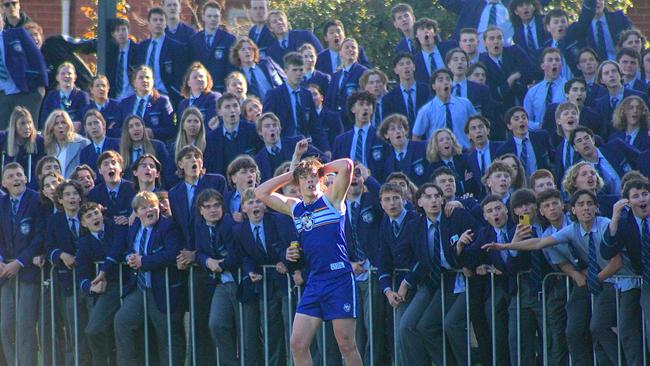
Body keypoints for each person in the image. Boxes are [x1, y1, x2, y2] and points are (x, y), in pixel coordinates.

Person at [482, 189, 642, 365]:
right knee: (593, 328)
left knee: (626, 329)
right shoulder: (571, 230)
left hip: (628, 281)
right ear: (573, 209)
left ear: (596, 207)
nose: (586, 208)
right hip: (605, 282)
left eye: (589, 204)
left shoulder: (605, 224)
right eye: (581, 205)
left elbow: (617, 262)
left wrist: (593, 279)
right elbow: (540, 243)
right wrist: (505, 246)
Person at [254, 156, 362, 366]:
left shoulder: (332, 199)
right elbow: (261, 192)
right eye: (304, 178)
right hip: (315, 282)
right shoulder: (295, 208)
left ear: (321, 179)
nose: (310, 181)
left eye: (314, 177)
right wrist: (292, 174)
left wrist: (319, 169)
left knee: (346, 344)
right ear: (298, 183)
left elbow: (347, 165)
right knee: (298, 343)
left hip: (339, 279)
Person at [402, 183, 476, 365]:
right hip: (440, 281)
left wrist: (463, 257)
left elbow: (477, 236)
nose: (433, 200)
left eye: (437, 196)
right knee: (424, 326)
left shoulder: (455, 215)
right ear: (419, 201)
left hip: (465, 279)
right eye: (428, 197)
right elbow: (406, 254)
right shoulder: (416, 225)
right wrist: (406, 281)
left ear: (443, 199)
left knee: (451, 324)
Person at [113, 191, 186, 366]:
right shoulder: (135, 227)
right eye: (144, 208)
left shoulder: (168, 226)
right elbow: (129, 249)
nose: (149, 210)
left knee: (167, 336)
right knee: (122, 322)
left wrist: (143, 261)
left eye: (152, 206)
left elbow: (171, 254)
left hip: (163, 289)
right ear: (137, 212)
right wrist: (130, 257)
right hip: (140, 288)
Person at [236, 188, 292, 366]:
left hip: (285, 282)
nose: (255, 206)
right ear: (244, 208)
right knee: (270, 330)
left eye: (258, 201)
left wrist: (284, 260)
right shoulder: (240, 230)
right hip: (264, 286)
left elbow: (288, 245)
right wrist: (250, 271)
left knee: (291, 325)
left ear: (266, 205)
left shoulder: (276, 221)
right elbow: (245, 256)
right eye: (250, 203)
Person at [374, 181, 421, 365]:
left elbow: (422, 258)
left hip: (419, 284)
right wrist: (387, 290)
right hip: (398, 291)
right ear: (381, 204)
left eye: (396, 198)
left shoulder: (415, 220)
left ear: (404, 200)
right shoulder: (385, 222)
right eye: (387, 199)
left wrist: (405, 284)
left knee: (408, 328)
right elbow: (383, 260)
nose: (392, 203)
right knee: (399, 332)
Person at [0, 162, 42, 366]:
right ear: (3, 183)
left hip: (27, 272)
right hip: (5, 274)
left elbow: (39, 236)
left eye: (19, 175)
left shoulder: (36, 200)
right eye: (11, 176)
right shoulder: (1, 203)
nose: (16, 179)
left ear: (26, 178)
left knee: (25, 326)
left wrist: (20, 261)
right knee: (6, 325)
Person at [601, 179, 650, 355]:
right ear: (628, 203)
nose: (642, 199)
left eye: (645, 194)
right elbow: (607, 252)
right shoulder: (624, 223)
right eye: (636, 196)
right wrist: (614, 217)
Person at [76, 201, 127, 366]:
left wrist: (102, 271)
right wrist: (91, 287)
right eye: (89, 216)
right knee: (93, 330)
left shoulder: (116, 227)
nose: (94, 218)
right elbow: (81, 274)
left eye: (96, 213)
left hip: (128, 283)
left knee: (121, 330)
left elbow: (118, 249)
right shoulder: (84, 243)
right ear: (83, 223)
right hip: (108, 289)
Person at [46, 179, 91, 365]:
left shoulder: (89, 215)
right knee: (74, 330)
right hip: (68, 283)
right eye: (68, 194)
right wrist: (61, 255)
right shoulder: (54, 220)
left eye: (75, 193)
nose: (72, 198)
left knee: (92, 329)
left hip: (90, 279)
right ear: (60, 199)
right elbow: (48, 247)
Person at [193, 188, 239, 365]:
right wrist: (207, 261)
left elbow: (236, 256)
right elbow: (199, 253)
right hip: (221, 283)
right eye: (208, 206)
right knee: (216, 324)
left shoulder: (229, 224)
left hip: (238, 281)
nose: (213, 210)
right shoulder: (200, 225)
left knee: (244, 331)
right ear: (201, 210)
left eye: (217, 205)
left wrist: (218, 265)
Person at [262, 52, 329, 154]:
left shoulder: (306, 95)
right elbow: (265, 125)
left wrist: (326, 149)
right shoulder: (274, 95)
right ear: (285, 72)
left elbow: (315, 126)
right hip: (282, 148)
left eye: (301, 70)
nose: (298, 73)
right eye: (294, 70)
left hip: (304, 146)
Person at [0, 14, 48, 131]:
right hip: (3, 94)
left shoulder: (16, 35)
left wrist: (41, 86)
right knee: (4, 133)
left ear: (2, 22)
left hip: (25, 92)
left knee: (27, 131)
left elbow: (36, 58)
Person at [136, 6, 188, 107]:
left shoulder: (175, 47)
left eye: (161, 20)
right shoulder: (142, 47)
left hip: (167, 95)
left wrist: (174, 92)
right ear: (149, 23)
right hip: (145, 94)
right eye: (155, 20)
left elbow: (181, 74)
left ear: (166, 23)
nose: (158, 23)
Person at [479, 26, 537, 115]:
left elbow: (531, 72)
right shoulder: (482, 62)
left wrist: (506, 86)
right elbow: (494, 94)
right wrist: (512, 78)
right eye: (491, 38)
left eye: (499, 38)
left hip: (524, 101)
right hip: (500, 110)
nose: (496, 41)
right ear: (484, 43)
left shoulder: (515, 51)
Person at [412, 68, 477, 148]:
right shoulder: (426, 110)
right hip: (438, 155)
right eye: (440, 80)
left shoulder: (465, 104)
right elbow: (416, 136)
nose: (445, 82)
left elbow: (476, 125)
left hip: (464, 152)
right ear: (433, 86)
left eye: (448, 79)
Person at [253, 112, 323, 182]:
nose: (272, 129)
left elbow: (322, 158)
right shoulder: (258, 160)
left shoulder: (297, 143)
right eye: (267, 126)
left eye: (274, 125)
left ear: (280, 129)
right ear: (260, 132)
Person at [570, 126, 639, 196]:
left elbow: (642, 159)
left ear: (593, 140)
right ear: (575, 148)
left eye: (587, 138)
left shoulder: (616, 146)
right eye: (579, 141)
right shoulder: (581, 171)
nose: (584, 142)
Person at [204, 93, 262, 176]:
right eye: (227, 107)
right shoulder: (211, 139)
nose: (232, 110)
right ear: (219, 112)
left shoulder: (253, 131)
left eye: (235, 106)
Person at [116, 65, 176, 142]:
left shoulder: (162, 101)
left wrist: (153, 132)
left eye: (148, 77)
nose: (145, 80)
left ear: (153, 81)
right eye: (141, 77)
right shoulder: (124, 104)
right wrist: (128, 132)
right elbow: (115, 130)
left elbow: (171, 129)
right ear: (134, 82)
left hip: (153, 145)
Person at [332, 91, 385, 170]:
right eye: (361, 104)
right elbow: (334, 169)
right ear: (353, 109)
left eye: (368, 104)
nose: (365, 107)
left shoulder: (381, 136)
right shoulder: (341, 141)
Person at [445, 48, 498, 126]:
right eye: (455, 60)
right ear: (449, 65)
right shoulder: (442, 90)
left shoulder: (481, 89)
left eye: (463, 60)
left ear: (468, 64)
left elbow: (489, 117)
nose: (460, 62)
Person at [118, 114, 174, 187]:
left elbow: (167, 172)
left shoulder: (158, 146)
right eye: (131, 126)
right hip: (130, 192)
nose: (135, 128)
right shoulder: (121, 151)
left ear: (143, 127)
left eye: (138, 125)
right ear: (127, 131)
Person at [497, 106, 553, 178]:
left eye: (524, 118)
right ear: (509, 126)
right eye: (516, 119)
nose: (521, 120)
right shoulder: (504, 150)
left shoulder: (541, 137)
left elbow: (553, 158)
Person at [324, 38, 368, 125]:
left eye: (353, 47)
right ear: (340, 53)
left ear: (357, 52)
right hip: (336, 123)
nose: (350, 49)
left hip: (353, 121)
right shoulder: (336, 75)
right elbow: (328, 99)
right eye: (347, 47)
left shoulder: (363, 72)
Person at [382, 53, 431, 131]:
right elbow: (388, 124)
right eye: (401, 64)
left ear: (414, 67)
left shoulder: (427, 90)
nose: (406, 67)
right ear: (396, 70)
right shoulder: (389, 98)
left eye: (408, 63)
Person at [376, 114, 429, 186]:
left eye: (400, 128)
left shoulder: (422, 147)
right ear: (386, 135)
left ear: (406, 131)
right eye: (393, 129)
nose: (397, 131)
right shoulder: (387, 158)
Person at [439, 0, 515, 50]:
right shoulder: (471, 3)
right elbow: (447, 2)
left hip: (505, 55)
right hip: (475, 54)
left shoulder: (515, 5)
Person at [522, 48, 567, 130]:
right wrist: (539, 126)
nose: (554, 63)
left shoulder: (569, 88)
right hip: (539, 135)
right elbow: (525, 119)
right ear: (542, 66)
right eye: (550, 60)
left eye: (557, 60)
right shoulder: (533, 92)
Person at [88, 151, 136, 226]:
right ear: (100, 170)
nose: (110, 166)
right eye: (106, 164)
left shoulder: (133, 189)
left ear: (120, 167)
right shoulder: (94, 193)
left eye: (113, 163)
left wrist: (128, 218)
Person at [427, 128, 480, 196]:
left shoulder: (465, 159)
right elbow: (441, 191)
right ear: (435, 145)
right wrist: (464, 183)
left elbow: (474, 185)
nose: (446, 141)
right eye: (441, 140)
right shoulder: (433, 168)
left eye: (448, 139)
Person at [0, 106, 44, 184]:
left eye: (29, 122)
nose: (27, 127)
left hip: (30, 188)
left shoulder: (39, 141)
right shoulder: (3, 138)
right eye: (22, 123)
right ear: (14, 125)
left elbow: (38, 171)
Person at [231, 37, 285, 101]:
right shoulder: (238, 75)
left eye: (250, 49)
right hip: (255, 108)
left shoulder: (267, 63)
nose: (247, 51)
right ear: (237, 54)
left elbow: (284, 78)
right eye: (243, 49)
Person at [40, 62, 90, 128]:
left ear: (75, 77)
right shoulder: (51, 96)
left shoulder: (82, 96)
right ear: (57, 77)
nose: (66, 76)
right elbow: (44, 119)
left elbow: (85, 119)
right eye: (63, 73)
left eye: (69, 73)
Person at [464, 115, 503, 198]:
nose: (478, 131)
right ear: (468, 135)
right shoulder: (469, 159)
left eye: (481, 127)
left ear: (488, 130)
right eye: (473, 128)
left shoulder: (501, 148)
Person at [42, 110, 90, 178]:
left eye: (63, 122)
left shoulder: (83, 143)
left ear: (69, 125)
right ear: (51, 128)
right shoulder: (47, 147)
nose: (60, 126)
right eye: (56, 124)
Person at [412, 18, 458, 85]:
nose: (426, 31)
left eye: (429, 28)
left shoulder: (450, 47)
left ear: (435, 33)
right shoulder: (414, 61)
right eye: (422, 29)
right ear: (416, 35)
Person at [176, 62, 221, 127]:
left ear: (207, 80)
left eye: (201, 76)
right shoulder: (182, 104)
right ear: (188, 83)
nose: (199, 79)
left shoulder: (213, 98)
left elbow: (212, 125)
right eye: (195, 77)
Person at [79, 109, 120, 177]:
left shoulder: (117, 144)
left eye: (96, 123)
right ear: (85, 128)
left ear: (103, 124)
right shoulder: (84, 153)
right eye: (90, 124)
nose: (93, 127)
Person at [106, 18, 137, 101]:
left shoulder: (137, 50)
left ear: (128, 31)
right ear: (113, 34)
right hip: (116, 98)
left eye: (123, 29)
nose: (121, 33)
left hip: (133, 97)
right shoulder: (112, 54)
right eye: (117, 30)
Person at [306, 84, 342, 148]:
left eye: (315, 94)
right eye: (309, 95)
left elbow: (339, 140)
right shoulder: (303, 118)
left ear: (322, 97)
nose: (312, 98)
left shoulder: (333, 117)